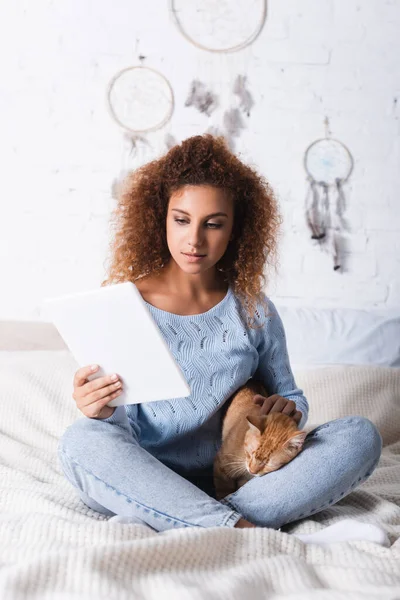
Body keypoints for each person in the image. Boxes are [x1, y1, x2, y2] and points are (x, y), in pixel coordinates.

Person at [58, 134, 386, 544]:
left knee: (359, 435)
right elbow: (119, 425)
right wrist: (100, 410)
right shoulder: (123, 305)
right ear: (160, 218)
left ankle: (204, 522)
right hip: (145, 474)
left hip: (242, 479)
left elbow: (292, 396)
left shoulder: (252, 310)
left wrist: (288, 410)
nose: (194, 239)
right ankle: (241, 529)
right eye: (181, 220)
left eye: (213, 224)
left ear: (236, 230)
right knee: (80, 441)